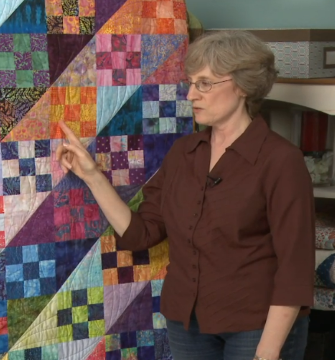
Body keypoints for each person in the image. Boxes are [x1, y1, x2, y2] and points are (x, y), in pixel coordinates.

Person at [55, 30, 315, 360]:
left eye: (205, 83)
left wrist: (269, 349)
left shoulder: (281, 161)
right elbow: (141, 234)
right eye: (191, 82)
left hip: (258, 325)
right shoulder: (184, 153)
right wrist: (91, 175)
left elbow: (296, 266)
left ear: (242, 86)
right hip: (188, 322)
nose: (191, 94)